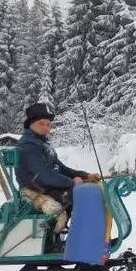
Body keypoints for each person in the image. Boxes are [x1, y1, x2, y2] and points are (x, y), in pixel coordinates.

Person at [16, 103, 101, 248]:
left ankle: (80, 239)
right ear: (30, 125)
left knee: (85, 191)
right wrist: (72, 182)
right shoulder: (28, 146)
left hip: (45, 187)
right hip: (35, 190)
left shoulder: (43, 144)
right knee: (79, 194)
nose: (46, 127)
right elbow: (44, 175)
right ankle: (74, 241)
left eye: (48, 124)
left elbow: (61, 168)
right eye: (41, 123)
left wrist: (86, 176)